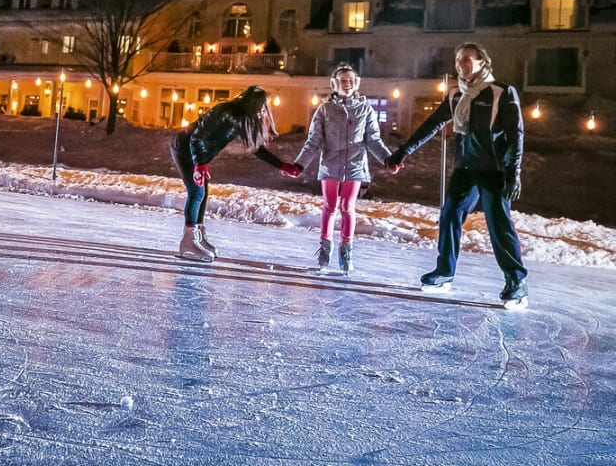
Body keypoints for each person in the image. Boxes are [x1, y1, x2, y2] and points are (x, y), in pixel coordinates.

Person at [386, 42, 529, 309]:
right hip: (465, 168)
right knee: (449, 215)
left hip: (494, 170)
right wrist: (404, 151)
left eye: (466, 60)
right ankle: (444, 272)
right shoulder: (456, 95)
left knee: (499, 224)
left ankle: (516, 281)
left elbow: (515, 134)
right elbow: (433, 123)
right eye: (457, 61)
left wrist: (514, 171)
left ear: (482, 63)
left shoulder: (502, 92)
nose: (460, 65)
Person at [282, 63, 398, 274]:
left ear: (357, 84)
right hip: (330, 166)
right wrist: (299, 165)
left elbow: (373, 140)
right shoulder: (325, 110)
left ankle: (347, 250)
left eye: (351, 81)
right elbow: (313, 141)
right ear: (334, 84)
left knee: (347, 207)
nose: (347, 84)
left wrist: (388, 160)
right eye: (343, 81)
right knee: (330, 205)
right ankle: (325, 246)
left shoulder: (365, 109)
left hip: (354, 167)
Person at [170, 85, 289, 260]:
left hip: (198, 157)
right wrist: (199, 164)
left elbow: (256, 148)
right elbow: (197, 137)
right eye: (260, 106)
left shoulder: (243, 118)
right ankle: (188, 242)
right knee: (197, 193)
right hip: (184, 149)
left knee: (203, 194)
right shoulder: (224, 111)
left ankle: (198, 236)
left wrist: (281, 165)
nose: (262, 111)